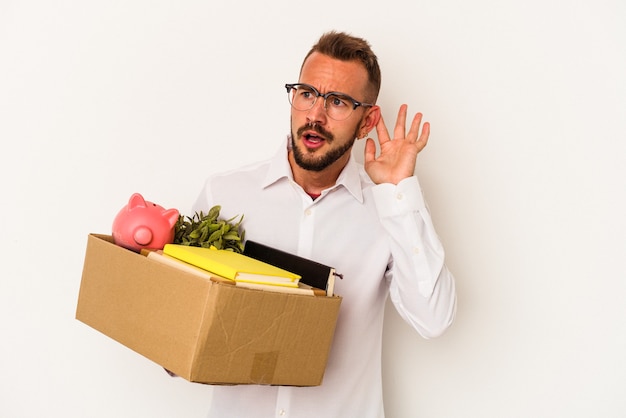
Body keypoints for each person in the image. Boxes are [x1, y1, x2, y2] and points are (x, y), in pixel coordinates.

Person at [192, 30, 456, 418]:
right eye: (306, 94)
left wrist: (398, 193)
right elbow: (188, 319)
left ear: (367, 121)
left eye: (337, 102)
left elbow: (433, 319)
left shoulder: (388, 211)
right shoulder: (225, 195)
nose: (315, 115)